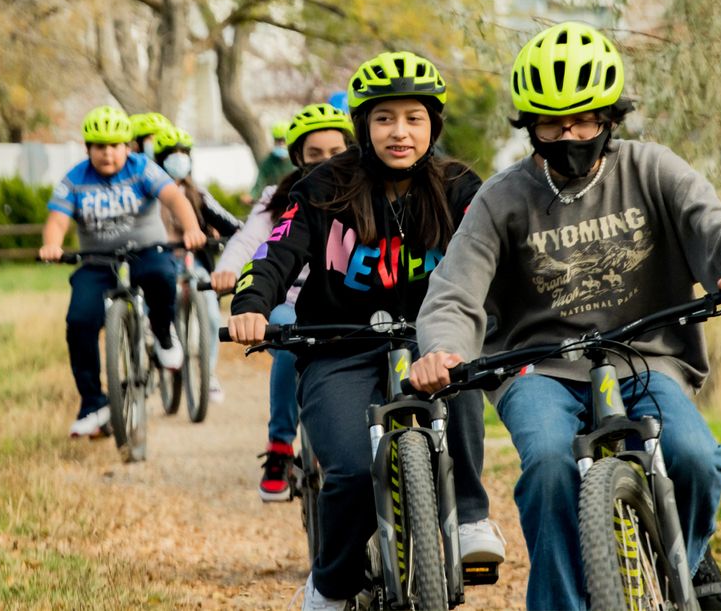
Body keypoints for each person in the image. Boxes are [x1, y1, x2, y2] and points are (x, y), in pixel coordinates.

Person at [410, 21, 721, 611]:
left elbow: (713, 222)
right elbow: (454, 291)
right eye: (551, 122)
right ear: (530, 127)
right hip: (539, 367)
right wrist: (442, 349)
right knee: (548, 465)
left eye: (584, 120)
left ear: (609, 119)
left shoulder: (652, 169)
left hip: (649, 355)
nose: (568, 134)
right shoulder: (502, 198)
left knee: (695, 459)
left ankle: (686, 561)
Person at [226, 51, 504, 609]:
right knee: (350, 471)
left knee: (458, 373)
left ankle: (471, 515)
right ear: (362, 125)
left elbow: (500, 252)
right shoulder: (324, 185)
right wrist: (252, 302)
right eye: (383, 118)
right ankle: (329, 586)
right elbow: (276, 253)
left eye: (413, 118)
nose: (399, 132)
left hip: (428, 338)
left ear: (434, 125)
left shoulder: (460, 187)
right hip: (338, 349)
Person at [211, 103, 353, 501]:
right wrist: (227, 270)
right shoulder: (281, 198)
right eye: (314, 155)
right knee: (291, 344)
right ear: (297, 158)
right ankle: (279, 448)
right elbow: (248, 240)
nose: (326, 162)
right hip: (290, 300)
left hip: (348, 305)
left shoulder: (365, 191)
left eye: (336, 153)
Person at [39, 107, 206, 438]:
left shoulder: (142, 168)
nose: (107, 153)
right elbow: (58, 219)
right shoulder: (75, 178)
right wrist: (52, 245)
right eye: (99, 146)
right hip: (97, 260)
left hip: (146, 250)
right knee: (79, 321)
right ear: (88, 149)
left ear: (127, 147)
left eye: (114, 145)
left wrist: (191, 229)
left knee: (162, 276)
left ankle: (161, 335)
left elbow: (174, 198)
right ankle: (93, 404)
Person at [159, 128, 244, 403]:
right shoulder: (148, 193)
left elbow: (229, 222)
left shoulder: (198, 194)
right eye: (172, 155)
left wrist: (244, 234)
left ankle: (208, 373)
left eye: (183, 154)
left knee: (209, 310)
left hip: (195, 262)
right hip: (162, 261)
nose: (178, 160)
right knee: (160, 297)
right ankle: (161, 344)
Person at [246, 120, 293, 202]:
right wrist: (252, 195)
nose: (281, 144)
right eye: (278, 141)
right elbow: (260, 182)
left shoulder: (296, 160)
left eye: (283, 140)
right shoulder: (268, 162)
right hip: (274, 202)